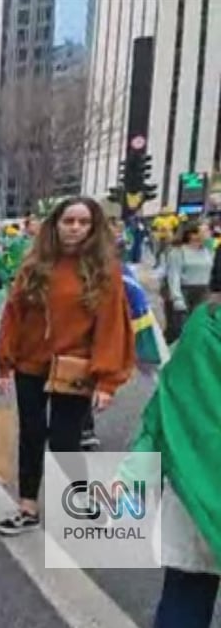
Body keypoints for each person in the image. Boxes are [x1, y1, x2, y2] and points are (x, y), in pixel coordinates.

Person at [0, 197, 135, 535]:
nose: (75, 228)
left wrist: (106, 381)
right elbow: (13, 315)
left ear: (93, 227)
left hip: (76, 367)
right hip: (30, 364)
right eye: (68, 221)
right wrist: (3, 365)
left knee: (65, 440)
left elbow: (111, 326)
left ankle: (80, 499)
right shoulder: (34, 264)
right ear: (55, 224)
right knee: (31, 434)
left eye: (83, 222)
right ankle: (27, 506)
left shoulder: (104, 271)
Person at [132, 257, 221, 627]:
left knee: (187, 592)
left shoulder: (204, 325)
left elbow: (167, 403)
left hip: (195, 488)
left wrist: (141, 460)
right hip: (196, 488)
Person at [163, 220, 214, 343]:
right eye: (205, 230)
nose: (209, 233)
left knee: (198, 327)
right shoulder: (178, 252)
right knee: (179, 329)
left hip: (203, 292)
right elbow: (173, 275)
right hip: (184, 292)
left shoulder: (207, 251)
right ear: (192, 235)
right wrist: (177, 298)